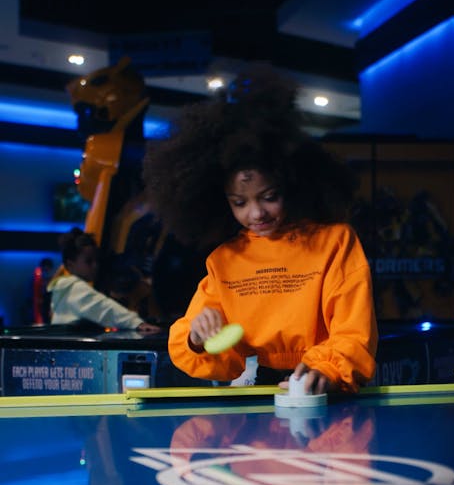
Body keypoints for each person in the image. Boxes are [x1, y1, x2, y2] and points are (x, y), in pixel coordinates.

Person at [143, 64, 378, 392]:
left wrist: (324, 371)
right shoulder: (223, 260)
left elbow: (354, 333)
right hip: (256, 393)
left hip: (325, 387)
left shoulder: (335, 242)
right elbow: (221, 361)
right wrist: (197, 337)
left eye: (269, 197)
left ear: (292, 183)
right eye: (239, 202)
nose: (256, 213)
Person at [47, 227, 161, 332]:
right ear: (70, 265)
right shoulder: (75, 288)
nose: (95, 265)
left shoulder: (65, 288)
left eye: (97, 260)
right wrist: (136, 323)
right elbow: (105, 309)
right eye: (89, 261)